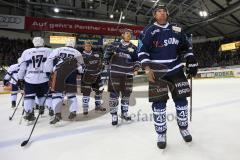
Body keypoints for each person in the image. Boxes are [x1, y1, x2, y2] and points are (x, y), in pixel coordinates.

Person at [138, 5, 198, 149]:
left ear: (167, 14)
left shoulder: (177, 28)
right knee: (159, 105)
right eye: (159, 11)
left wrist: (191, 59)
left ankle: (184, 128)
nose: (162, 13)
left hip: (176, 70)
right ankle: (161, 133)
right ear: (154, 14)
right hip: (157, 72)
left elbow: (186, 46)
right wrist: (146, 68)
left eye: (164, 11)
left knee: (182, 102)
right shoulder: (148, 31)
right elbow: (142, 51)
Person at [104, 29, 140, 125]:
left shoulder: (134, 47)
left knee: (126, 95)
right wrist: (109, 52)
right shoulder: (114, 45)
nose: (129, 35)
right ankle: (114, 115)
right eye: (127, 33)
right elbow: (106, 57)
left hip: (128, 74)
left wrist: (136, 69)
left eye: (131, 34)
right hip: (115, 73)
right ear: (122, 35)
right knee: (114, 95)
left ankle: (124, 113)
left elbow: (137, 60)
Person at [44, 39, 84, 124]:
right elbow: (82, 67)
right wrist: (80, 72)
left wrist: (48, 72)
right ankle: (73, 112)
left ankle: (57, 114)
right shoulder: (77, 52)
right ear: (74, 45)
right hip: (71, 73)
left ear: (65, 44)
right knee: (71, 94)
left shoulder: (58, 49)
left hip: (59, 72)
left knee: (56, 94)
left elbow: (49, 60)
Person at [18, 37, 52, 122]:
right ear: (43, 42)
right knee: (47, 96)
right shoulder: (48, 51)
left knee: (29, 97)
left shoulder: (26, 52)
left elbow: (22, 68)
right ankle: (51, 111)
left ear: (33, 43)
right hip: (44, 78)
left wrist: (20, 78)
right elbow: (51, 65)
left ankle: (29, 114)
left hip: (30, 79)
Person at [81, 41, 106, 115]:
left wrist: (102, 66)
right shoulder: (80, 56)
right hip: (86, 77)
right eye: (86, 46)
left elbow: (100, 63)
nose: (88, 47)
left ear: (91, 46)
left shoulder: (97, 54)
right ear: (84, 47)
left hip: (97, 76)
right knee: (86, 92)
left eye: (89, 46)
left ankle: (98, 105)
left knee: (98, 91)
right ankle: (85, 108)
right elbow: (78, 66)